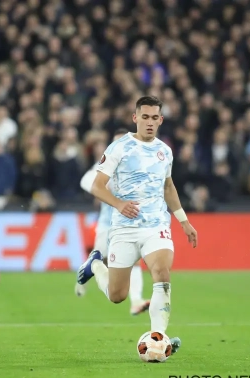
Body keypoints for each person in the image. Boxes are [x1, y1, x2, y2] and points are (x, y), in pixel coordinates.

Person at [76, 96, 198, 355]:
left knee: (161, 272)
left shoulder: (165, 151)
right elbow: (97, 186)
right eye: (145, 117)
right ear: (135, 118)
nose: (149, 122)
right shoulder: (119, 148)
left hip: (156, 226)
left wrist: (184, 221)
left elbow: (168, 187)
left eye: (154, 118)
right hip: (124, 228)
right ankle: (95, 265)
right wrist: (119, 204)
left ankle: (158, 338)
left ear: (161, 120)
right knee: (117, 295)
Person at [75, 128, 150, 316]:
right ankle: (83, 276)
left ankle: (136, 301)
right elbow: (86, 181)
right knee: (100, 259)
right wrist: (101, 189)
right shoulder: (106, 163)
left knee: (133, 261)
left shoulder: (137, 164)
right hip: (107, 225)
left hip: (127, 224)